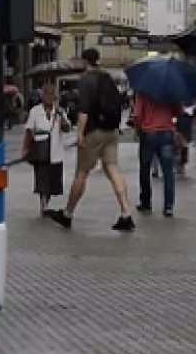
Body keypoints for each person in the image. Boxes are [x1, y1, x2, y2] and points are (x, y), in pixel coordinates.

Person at [48, 48, 136, 232]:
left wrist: (80, 134)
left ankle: (67, 214)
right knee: (113, 169)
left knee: (82, 172)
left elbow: (84, 110)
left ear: (84, 61)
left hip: (94, 131)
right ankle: (126, 213)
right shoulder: (107, 77)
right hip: (111, 130)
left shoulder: (86, 79)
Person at [23, 82, 71, 216]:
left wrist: (62, 118)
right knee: (42, 177)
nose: (49, 97)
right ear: (42, 96)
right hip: (40, 148)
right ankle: (43, 204)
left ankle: (47, 201)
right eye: (47, 94)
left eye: (52, 94)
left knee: (52, 179)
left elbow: (67, 129)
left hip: (55, 150)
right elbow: (29, 130)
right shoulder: (35, 111)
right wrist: (26, 148)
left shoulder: (60, 111)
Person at [131, 91, 180, 217]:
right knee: (168, 171)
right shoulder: (170, 91)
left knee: (145, 168)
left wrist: (138, 128)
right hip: (167, 132)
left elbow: (137, 115)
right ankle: (169, 206)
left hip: (148, 133)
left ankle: (146, 202)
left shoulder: (143, 92)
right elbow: (178, 111)